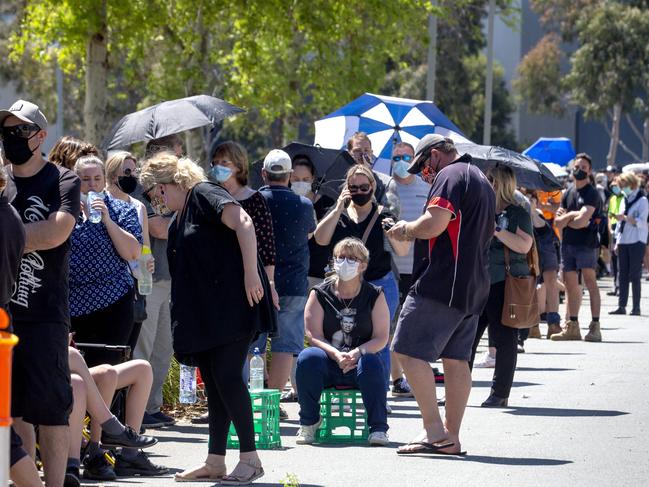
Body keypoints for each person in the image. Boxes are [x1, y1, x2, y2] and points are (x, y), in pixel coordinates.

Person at [140, 152, 273, 484]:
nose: (157, 198)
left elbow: (243, 222)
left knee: (228, 378)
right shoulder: (182, 212)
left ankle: (251, 458)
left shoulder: (203, 192)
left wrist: (251, 275)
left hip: (234, 305)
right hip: (209, 313)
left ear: (171, 182)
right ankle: (215, 460)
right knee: (215, 384)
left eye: (157, 190)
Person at [387, 134, 495, 455]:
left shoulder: (450, 175)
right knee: (456, 360)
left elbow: (434, 225)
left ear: (435, 155)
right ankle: (451, 437)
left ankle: (434, 431)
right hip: (473, 283)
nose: (422, 174)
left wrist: (405, 228)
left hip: (443, 281)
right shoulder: (481, 179)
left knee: (406, 349)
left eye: (422, 166)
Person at [2, 99, 80, 487]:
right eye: (6, 130)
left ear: (40, 136)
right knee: (13, 412)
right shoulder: (2, 180)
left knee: (50, 409)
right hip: (5, 313)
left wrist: (10, 239)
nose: (11, 138)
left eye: (20, 131)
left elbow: (57, 230)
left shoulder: (62, 179)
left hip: (46, 312)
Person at [314, 164, 410, 394]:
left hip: (379, 283)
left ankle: (379, 392)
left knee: (380, 340)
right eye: (353, 187)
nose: (359, 191)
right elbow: (320, 238)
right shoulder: (340, 214)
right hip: (345, 287)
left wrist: (392, 233)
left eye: (364, 186)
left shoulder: (384, 215)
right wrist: (338, 207)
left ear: (373, 187)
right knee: (343, 338)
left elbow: (403, 250)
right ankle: (344, 387)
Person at [296, 237, 391, 446]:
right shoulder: (319, 293)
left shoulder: (375, 295)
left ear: (363, 265)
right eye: (340, 257)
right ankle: (309, 422)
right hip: (328, 362)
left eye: (351, 258)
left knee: (372, 362)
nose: (344, 262)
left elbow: (381, 337)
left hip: (360, 364)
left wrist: (356, 353)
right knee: (307, 357)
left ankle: (378, 428)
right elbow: (313, 335)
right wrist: (336, 354)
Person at [251, 149, 316, 402]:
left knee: (253, 343)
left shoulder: (253, 201)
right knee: (286, 346)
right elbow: (310, 233)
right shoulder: (305, 204)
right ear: (289, 176)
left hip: (258, 282)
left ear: (264, 173)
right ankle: (273, 404)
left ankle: (253, 400)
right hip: (294, 283)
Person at [69, 155, 143, 366]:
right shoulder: (65, 210)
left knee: (107, 372)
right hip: (71, 305)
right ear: (76, 180)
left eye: (97, 179)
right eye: (85, 179)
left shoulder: (122, 209)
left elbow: (132, 253)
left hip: (112, 302)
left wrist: (107, 220)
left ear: (104, 180)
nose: (92, 185)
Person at [469, 166, 533, 407]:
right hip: (476, 280)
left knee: (504, 339)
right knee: (466, 339)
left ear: (500, 184)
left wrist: (496, 230)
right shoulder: (480, 209)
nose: (486, 182)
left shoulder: (517, 212)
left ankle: (500, 393)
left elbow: (524, 246)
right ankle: (458, 389)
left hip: (503, 282)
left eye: (490, 179)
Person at [133, 139, 181, 429]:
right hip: (149, 279)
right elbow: (159, 228)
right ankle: (136, 413)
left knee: (164, 348)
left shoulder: (174, 188)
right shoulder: (142, 189)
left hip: (171, 278)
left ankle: (152, 407)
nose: (179, 159)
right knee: (145, 348)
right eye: (174, 153)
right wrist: (184, 212)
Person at [66, 346, 163, 484]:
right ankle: (96, 451)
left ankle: (130, 455)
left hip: (80, 364)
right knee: (106, 372)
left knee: (142, 368)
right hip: (56, 366)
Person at [387, 142, 431, 396]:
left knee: (414, 327)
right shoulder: (384, 187)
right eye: (396, 157)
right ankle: (397, 379)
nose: (402, 161)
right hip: (391, 269)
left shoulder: (426, 188)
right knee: (393, 327)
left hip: (419, 268)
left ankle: (415, 373)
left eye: (406, 156)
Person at [552, 153, 603, 342]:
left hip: (587, 245)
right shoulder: (568, 192)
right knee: (570, 285)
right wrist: (572, 215)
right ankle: (572, 326)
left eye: (584, 168)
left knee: (590, 282)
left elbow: (582, 222)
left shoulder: (592, 193)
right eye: (577, 166)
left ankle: (595, 326)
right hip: (568, 245)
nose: (579, 170)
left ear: (589, 171)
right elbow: (557, 223)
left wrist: (568, 220)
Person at [105, 150, 152, 350]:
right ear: (112, 174)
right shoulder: (100, 203)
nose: (131, 177)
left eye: (134, 172)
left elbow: (146, 246)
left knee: (129, 347)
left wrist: (148, 261)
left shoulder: (139, 207)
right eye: (126, 172)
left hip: (136, 283)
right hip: (108, 283)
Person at [609, 172, 648, 315]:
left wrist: (626, 218)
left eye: (624, 185)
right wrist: (617, 242)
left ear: (631, 184)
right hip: (624, 241)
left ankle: (636, 307)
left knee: (635, 275)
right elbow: (620, 225)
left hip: (637, 241)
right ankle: (622, 306)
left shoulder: (642, 200)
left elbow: (643, 222)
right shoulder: (625, 199)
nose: (622, 188)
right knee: (622, 274)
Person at [527, 191, 561, 338]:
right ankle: (533, 326)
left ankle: (553, 324)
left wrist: (533, 211)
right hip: (529, 247)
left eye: (531, 198)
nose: (528, 201)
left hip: (546, 246)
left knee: (551, 283)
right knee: (530, 284)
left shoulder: (538, 212)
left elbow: (543, 227)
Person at [346, 132, 400, 216]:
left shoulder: (386, 183)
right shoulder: (338, 180)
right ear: (349, 153)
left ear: (371, 153)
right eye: (357, 151)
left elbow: (392, 215)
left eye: (366, 150)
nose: (362, 155)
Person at [606, 178, 625, 296]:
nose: (614, 188)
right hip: (613, 229)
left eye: (616, 186)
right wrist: (610, 231)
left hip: (622, 229)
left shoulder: (625, 198)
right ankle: (615, 286)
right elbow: (609, 216)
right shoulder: (612, 198)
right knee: (613, 259)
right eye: (612, 186)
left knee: (621, 260)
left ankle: (621, 286)